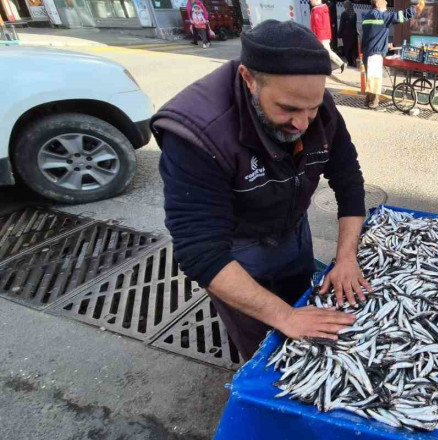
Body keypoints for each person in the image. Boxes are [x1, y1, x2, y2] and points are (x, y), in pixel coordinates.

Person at [151, 20, 368, 360]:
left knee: (306, 301)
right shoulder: (198, 133)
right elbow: (200, 252)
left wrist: (345, 258)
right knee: (266, 342)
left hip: (292, 227)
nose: (302, 123)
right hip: (236, 250)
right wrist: (284, 317)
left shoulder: (315, 104)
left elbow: (349, 181)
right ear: (249, 79)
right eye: (289, 109)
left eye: (312, 108)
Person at [361, 0, 424, 108]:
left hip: (368, 52)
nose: (386, 3)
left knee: (370, 77)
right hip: (375, 54)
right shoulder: (380, 16)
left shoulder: (367, 16)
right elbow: (399, 16)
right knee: (375, 78)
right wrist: (414, 10)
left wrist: (385, 45)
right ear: (377, 4)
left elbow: (374, 35)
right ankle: (373, 103)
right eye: (384, 2)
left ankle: (367, 101)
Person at [310, 0, 345, 72]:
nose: (310, 1)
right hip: (325, 35)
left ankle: (340, 64)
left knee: (326, 51)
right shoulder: (323, 9)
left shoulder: (317, 10)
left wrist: (317, 39)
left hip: (320, 36)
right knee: (325, 51)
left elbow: (318, 26)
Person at [339, 0, 359, 67]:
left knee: (347, 49)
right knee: (354, 48)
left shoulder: (343, 14)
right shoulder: (354, 14)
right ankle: (354, 61)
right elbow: (354, 25)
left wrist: (339, 34)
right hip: (353, 34)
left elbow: (341, 25)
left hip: (346, 35)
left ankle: (350, 62)